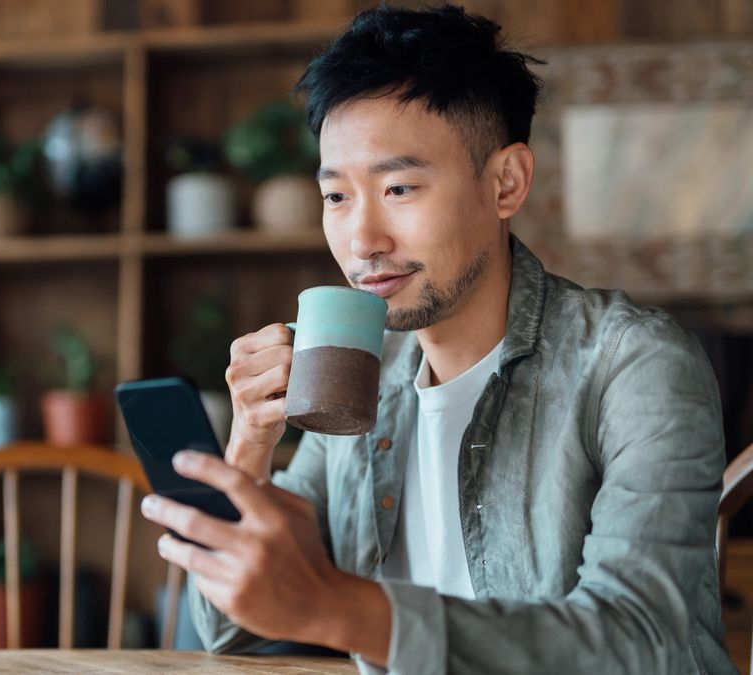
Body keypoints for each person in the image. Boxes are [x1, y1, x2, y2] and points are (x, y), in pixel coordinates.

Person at [138, 4, 735, 673]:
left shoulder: (636, 364)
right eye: (336, 197)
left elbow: (639, 639)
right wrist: (251, 442)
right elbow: (230, 631)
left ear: (506, 183)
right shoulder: (362, 374)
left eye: (398, 187)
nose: (363, 240)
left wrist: (339, 607)